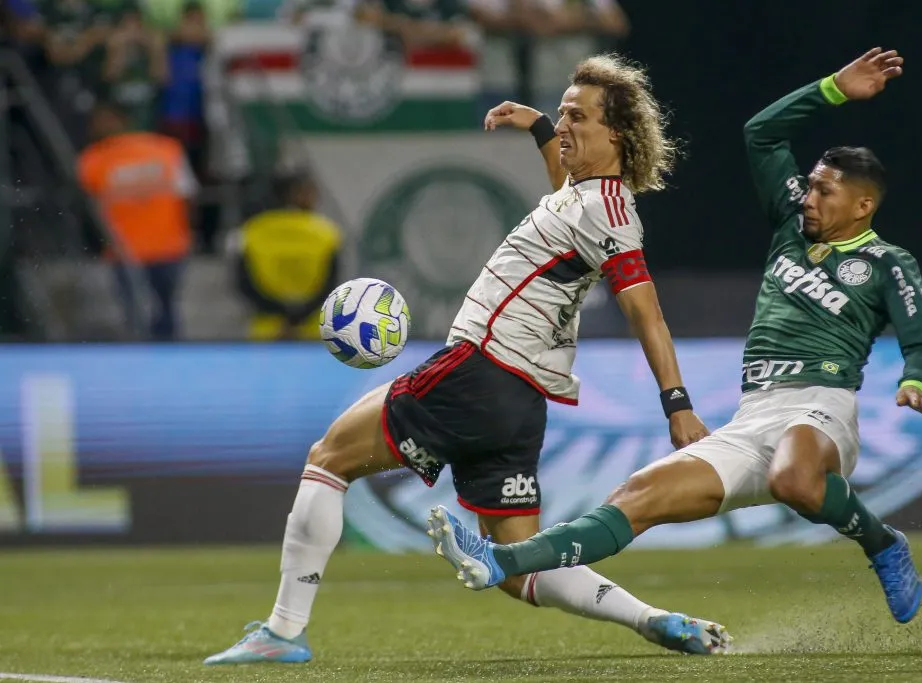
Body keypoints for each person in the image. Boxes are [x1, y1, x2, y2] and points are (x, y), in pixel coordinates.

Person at [205, 53, 733, 666]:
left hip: (480, 371)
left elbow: (648, 314)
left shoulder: (607, 213)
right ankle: (655, 620)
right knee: (516, 564)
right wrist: (539, 123)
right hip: (517, 402)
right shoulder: (582, 197)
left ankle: (283, 631)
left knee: (328, 460)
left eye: (577, 118)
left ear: (616, 133)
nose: (565, 127)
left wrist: (677, 404)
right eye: (563, 114)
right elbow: (563, 194)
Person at [428, 47, 922, 628]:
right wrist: (832, 88)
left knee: (795, 478)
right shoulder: (791, 226)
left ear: (863, 204)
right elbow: (762, 133)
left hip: (820, 405)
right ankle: (502, 560)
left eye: (826, 191)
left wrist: (915, 379)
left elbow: (921, 336)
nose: (809, 197)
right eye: (811, 186)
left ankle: (883, 545)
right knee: (636, 497)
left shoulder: (886, 261)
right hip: (754, 416)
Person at [78, 100, 196, 341]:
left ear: (122, 120)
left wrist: (190, 232)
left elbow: (188, 196)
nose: (98, 126)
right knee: (142, 316)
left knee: (164, 310)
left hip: (166, 246)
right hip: (128, 250)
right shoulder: (92, 159)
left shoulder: (166, 149)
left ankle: (165, 359)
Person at [230, 171, 343, 341]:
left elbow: (244, 283)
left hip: (267, 327)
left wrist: (279, 312)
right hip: (312, 327)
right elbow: (331, 284)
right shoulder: (327, 231)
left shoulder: (251, 231)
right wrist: (300, 314)